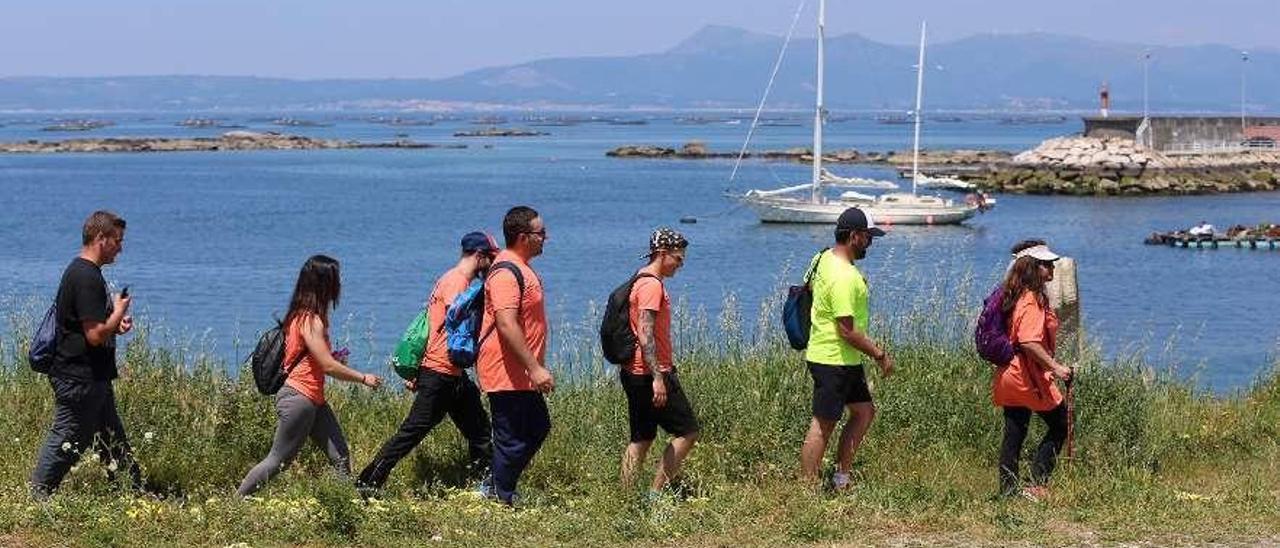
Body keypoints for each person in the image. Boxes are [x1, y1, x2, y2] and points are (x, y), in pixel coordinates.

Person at [356, 233, 497, 495]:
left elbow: (433, 327)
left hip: (450, 373)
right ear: (479, 256)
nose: (491, 264)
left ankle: (486, 487)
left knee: (480, 432)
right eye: (490, 258)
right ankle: (367, 483)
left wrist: (418, 367)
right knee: (412, 432)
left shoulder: (447, 278)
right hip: (441, 372)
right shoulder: (457, 283)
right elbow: (459, 330)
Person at [237, 255, 383, 497]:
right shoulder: (309, 320)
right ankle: (236, 502)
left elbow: (315, 358)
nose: (340, 284)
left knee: (340, 456)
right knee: (278, 460)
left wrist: (332, 357)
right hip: (299, 398)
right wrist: (363, 378)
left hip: (314, 399)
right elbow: (327, 366)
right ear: (323, 284)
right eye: (336, 278)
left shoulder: (304, 316)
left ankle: (343, 506)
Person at [31, 211, 142, 500]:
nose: (121, 247)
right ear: (100, 238)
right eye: (117, 241)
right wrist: (119, 310)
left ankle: (130, 491)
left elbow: (89, 327)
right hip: (78, 376)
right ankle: (37, 497)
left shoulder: (86, 274)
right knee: (67, 435)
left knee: (111, 438)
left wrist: (115, 324)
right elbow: (93, 336)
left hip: (93, 375)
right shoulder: (85, 276)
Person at [799, 207, 894, 491]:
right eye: (868, 237)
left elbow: (812, 289)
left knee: (864, 411)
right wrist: (880, 355)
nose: (871, 243)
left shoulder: (822, 258)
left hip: (841, 357)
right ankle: (806, 487)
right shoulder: (845, 277)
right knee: (823, 423)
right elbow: (848, 331)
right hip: (833, 358)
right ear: (854, 236)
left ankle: (841, 478)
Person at [476, 206, 554, 505]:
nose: (545, 238)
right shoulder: (505, 272)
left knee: (537, 428)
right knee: (511, 439)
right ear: (523, 237)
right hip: (506, 371)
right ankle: (500, 496)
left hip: (521, 374)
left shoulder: (522, 267)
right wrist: (534, 368)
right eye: (541, 233)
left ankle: (496, 486)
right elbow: (506, 324)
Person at [619, 228, 700, 496]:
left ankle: (627, 498)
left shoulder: (639, 279)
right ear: (662, 254)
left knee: (641, 438)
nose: (680, 265)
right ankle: (656, 495)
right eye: (678, 259)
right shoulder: (652, 285)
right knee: (687, 432)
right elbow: (645, 332)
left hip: (633, 371)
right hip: (651, 372)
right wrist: (658, 377)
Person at [992, 240, 1073, 501]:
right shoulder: (1031, 300)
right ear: (1033, 268)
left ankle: (1008, 491)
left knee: (1015, 430)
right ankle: (1038, 485)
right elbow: (1028, 341)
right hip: (1027, 377)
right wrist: (1057, 368)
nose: (1052, 269)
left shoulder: (1016, 295)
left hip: (1009, 375)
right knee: (1061, 423)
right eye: (1047, 264)